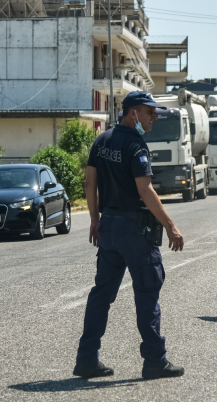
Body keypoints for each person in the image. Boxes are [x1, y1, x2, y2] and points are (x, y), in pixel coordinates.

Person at [74, 91, 186, 380]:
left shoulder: (102, 140)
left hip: (109, 227)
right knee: (147, 293)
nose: (155, 117)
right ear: (132, 113)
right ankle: (155, 361)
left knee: (101, 295)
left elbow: (89, 183)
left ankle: (86, 359)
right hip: (134, 231)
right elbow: (145, 190)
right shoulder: (136, 145)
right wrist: (171, 226)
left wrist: (95, 219)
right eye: (150, 111)